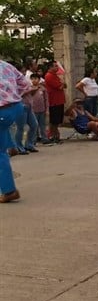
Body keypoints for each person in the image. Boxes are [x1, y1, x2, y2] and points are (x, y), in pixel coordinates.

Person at [0, 60, 30, 203]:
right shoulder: (6, 65)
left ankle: (9, 191)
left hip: (2, 110)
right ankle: (11, 146)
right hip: (16, 107)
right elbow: (25, 84)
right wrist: (12, 96)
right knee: (3, 128)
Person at [44, 61, 66, 143]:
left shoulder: (56, 76)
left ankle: (54, 135)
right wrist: (62, 84)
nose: (57, 68)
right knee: (54, 121)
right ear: (50, 67)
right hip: (54, 101)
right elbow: (59, 87)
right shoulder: (49, 76)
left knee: (57, 120)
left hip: (59, 100)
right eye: (55, 66)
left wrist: (63, 84)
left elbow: (64, 85)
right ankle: (53, 136)